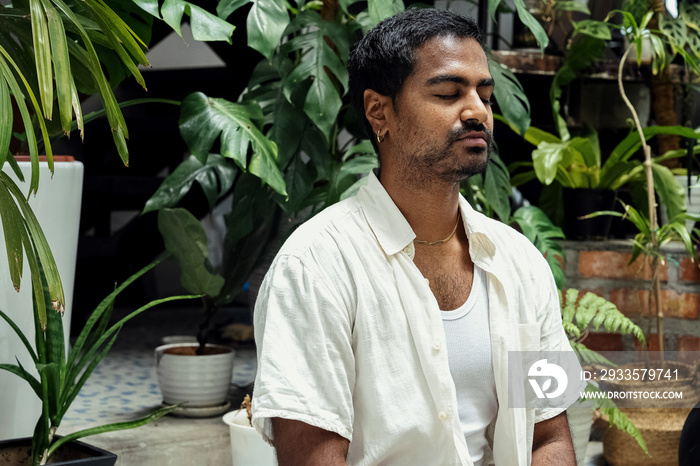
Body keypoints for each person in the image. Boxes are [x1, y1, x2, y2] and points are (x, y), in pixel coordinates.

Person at [251, 8, 585, 466]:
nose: (477, 112)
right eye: (449, 93)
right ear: (378, 111)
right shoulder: (315, 267)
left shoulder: (521, 262)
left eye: (485, 95)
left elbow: (548, 436)